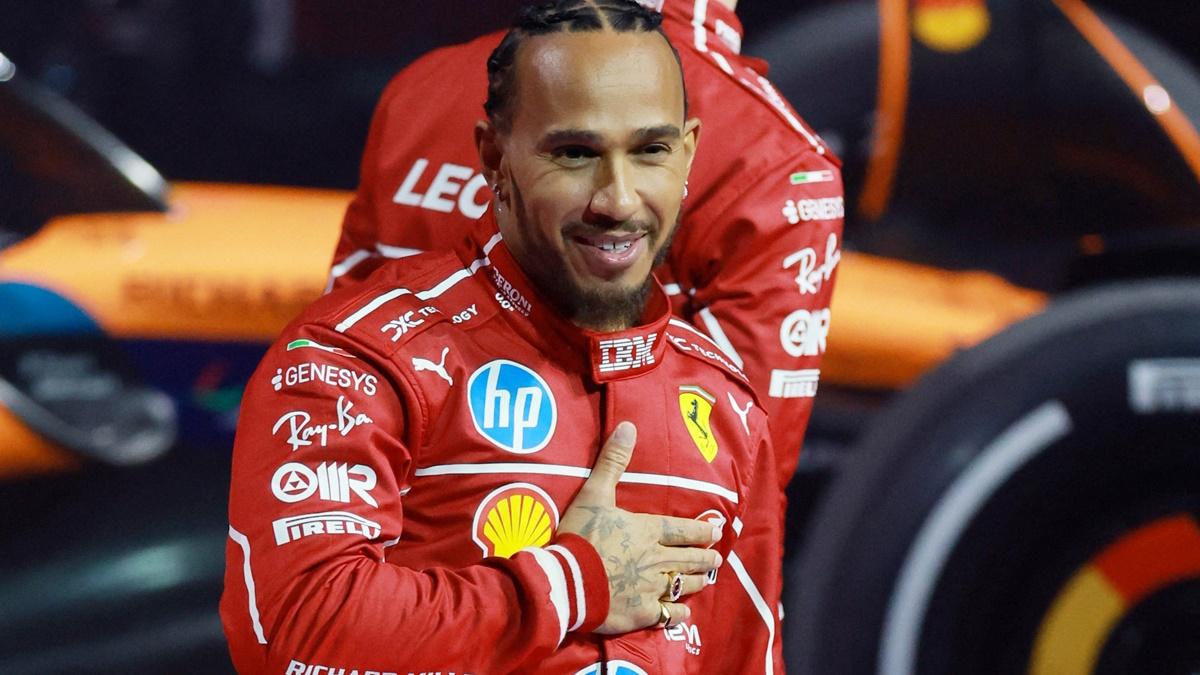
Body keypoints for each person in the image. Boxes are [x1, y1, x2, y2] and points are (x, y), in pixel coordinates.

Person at [221, 2, 782, 672]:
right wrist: (572, 583)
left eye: (650, 151)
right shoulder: (355, 355)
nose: (619, 199)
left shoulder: (728, 405)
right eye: (575, 153)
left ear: (688, 153)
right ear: (494, 156)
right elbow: (299, 619)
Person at [328, 0, 845, 489]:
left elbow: (334, 395)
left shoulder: (422, 87)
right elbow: (739, 482)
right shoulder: (777, 159)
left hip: (394, 551)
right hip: (611, 571)